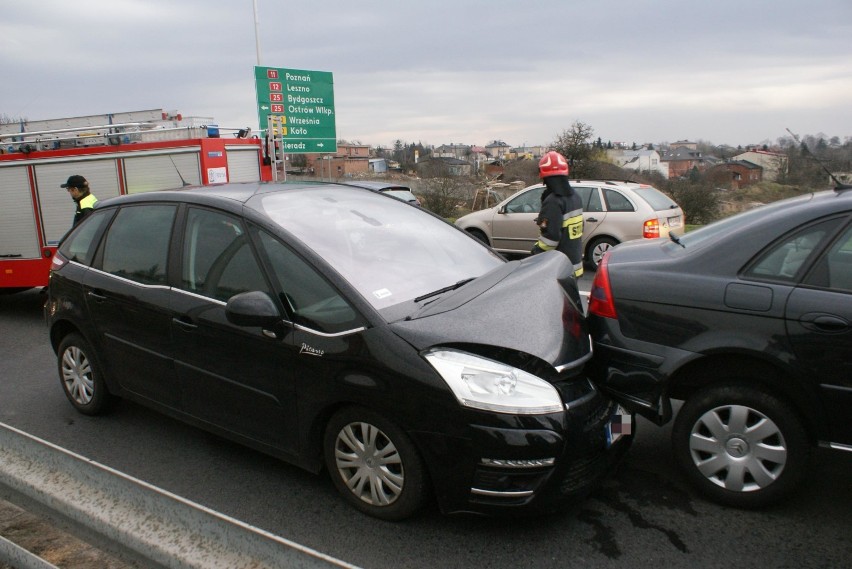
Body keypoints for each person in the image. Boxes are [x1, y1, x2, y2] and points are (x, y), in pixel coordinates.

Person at [530, 151, 584, 279]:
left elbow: (550, 239)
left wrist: (535, 254)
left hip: (558, 269)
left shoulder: (554, 201)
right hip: (574, 267)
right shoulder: (575, 197)